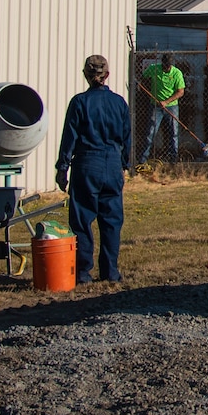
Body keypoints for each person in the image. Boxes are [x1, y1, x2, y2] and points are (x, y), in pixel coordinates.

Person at [56, 54, 132, 284]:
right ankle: (110, 271)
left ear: (85, 76)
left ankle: (82, 272)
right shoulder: (119, 102)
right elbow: (127, 137)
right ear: (107, 75)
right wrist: (125, 165)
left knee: (81, 220)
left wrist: (62, 167)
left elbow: (69, 137)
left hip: (87, 163)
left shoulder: (79, 102)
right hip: (112, 162)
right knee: (111, 221)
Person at [138, 51, 186, 162]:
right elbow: (143, 77)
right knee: (151, 132)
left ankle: (173, 159)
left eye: (168, 66)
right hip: (155, 106)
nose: (166, 68)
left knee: (173, 133)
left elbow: (180, 92)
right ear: (162, 63)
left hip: (172, 106)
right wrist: (140, 84)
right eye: (165, 66)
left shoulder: (176, 73)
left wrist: (166, 102)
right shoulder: (154, 68)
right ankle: (143, 159)